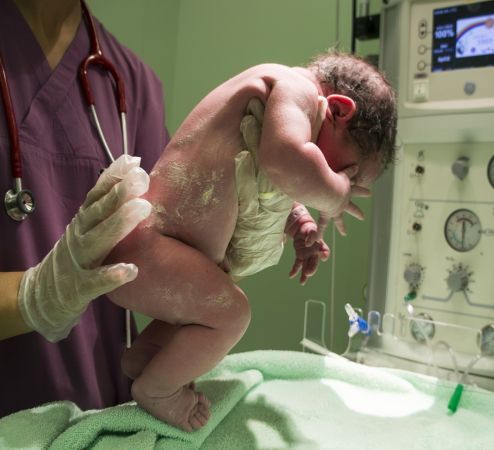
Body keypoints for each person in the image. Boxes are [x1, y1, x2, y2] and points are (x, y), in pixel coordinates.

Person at [105, 51, 398, 431]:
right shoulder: (295, 88)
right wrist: (335, 193)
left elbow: (264, 184)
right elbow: (286, 161)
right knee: (231, 314)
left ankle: (147, 360)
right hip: (151, 245)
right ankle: (158, 391)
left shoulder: (275, 118)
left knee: (212, 297)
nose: (337, 180)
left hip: (163, 251)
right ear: (338, 110)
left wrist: (300, 222)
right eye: (344, 171)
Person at [0, 0, 169, 418]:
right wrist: (35, 297)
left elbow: (171, 253)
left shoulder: (131, 82)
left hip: (100, 422)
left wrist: (256, 211)